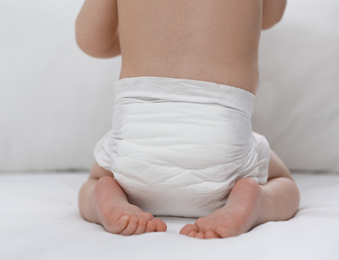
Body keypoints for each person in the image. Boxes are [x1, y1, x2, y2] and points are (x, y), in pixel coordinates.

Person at [76, 0, 300, 239]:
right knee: (282, 183)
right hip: (220, 145)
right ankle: (258, 201)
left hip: (137, 142)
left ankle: (105, 194)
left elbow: (92, 41)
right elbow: (269, 17)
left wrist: (145, 35)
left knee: (96, 179)